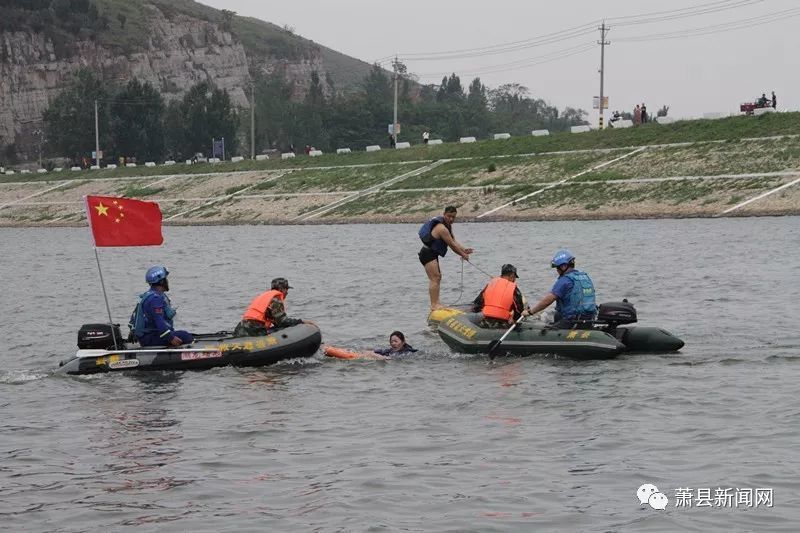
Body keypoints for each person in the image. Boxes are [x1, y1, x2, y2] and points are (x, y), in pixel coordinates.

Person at [523, 249, 597, 329]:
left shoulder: (565, 280)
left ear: (564, 266)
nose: (557, 271)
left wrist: (530, 312)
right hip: (589, 319)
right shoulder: (584, 277)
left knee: (548, 330)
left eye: (557, 268)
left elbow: (548, 301)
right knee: (557, 315)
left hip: (572, 320)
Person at [418, 206, 474, 310]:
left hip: (432, 254)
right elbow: (452, 246)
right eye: (449, 216)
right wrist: (462, 255)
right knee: (435, 278)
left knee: (437, 277)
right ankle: (434, 305)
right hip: (427, 253)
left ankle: (436, 303)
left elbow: (454, 241)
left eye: (453, 217)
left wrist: (464, 250)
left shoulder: (448, 226)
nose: (451, 219)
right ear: (444, 214)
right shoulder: (441, 228)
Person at [129, 266, 194, 347]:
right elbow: (159, 321)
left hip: (150, 335)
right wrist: (170, 338)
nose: (167, 281)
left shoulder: (150, 295)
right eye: (166, 279)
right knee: (186, 336)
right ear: (162, 281)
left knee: (182, 334)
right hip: (150, 338)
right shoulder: (155, 299)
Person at [234, 277, 304, 336]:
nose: (287, 292)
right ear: (281, 289)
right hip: (254, 329)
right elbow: (283, 321)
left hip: (242, 327)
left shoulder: (265, 296)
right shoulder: (276, 299)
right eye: (286, 289)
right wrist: (300, 322)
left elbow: (276, 321)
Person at [471, 264, 525, 329]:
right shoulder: (513, 288)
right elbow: (519, 309)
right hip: (502, 323)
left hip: (485, 321)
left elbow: (477, 304)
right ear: (512, 275)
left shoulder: (490, 284)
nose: (514, 280)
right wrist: (515, 319)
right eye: (514, 278)